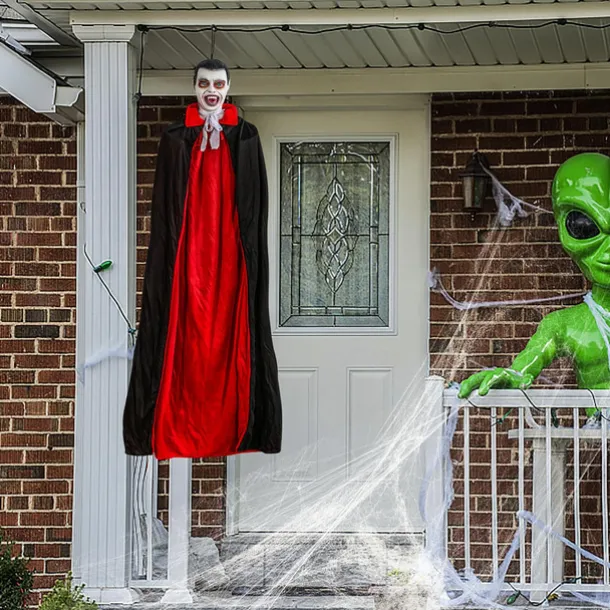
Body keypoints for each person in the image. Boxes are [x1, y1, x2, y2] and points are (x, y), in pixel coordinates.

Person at [123, 58, 282, 458]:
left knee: (234, 325)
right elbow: (166, 208)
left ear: (228, 88)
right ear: (194, 87)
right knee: (179, 329)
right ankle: (171, 427)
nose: (212, 91)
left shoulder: (246, 136)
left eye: (219, 84)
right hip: (187, 250)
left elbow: (254, 205)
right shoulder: (175, 138)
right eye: (204, 83)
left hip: (231, 249)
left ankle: (238, 429)